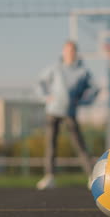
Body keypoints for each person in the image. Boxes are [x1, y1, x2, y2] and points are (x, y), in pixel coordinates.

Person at [36, 41, 100, 190]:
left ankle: (92, 177)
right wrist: (45, 96)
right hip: (53, 112)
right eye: (67, 50)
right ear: (63, 52)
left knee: (79, 145)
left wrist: (84, 101)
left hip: (70, 113)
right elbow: (40, 82)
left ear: (76, 53)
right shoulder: (55, 68)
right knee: (51, 144)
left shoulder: (82, 71)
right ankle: (49, 177)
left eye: (72, 51)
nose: (70, 53)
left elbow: (95, 88)